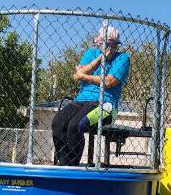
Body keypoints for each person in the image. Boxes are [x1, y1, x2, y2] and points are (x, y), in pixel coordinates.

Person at [51, 26, 131, 166]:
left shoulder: (122, 58)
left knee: (75, 125)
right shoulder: (91, 53)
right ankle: (64, 162)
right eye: (106, 44)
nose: (109, 48)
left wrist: (83, 75)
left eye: (113, 45)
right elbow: (76, 76)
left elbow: (108, 81)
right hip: (82, 100)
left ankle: (73, 164)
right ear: (99, 42)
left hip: (105, 103)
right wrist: (100, 59)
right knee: (58, 122)